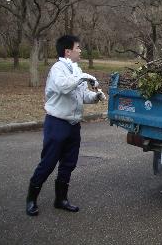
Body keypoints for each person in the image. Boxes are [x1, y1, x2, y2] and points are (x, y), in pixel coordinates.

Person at [26, 35, 106, 216]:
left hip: (73, 125)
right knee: (48, 163)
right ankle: (31, 199)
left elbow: (82, 95)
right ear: (67, 51)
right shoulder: (58, 69)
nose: (80, 50)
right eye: (78, 47)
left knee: (68, 164)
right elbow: (63, 87)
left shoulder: (76, 69)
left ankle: (60, 199)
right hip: (57, 123)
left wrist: (95, 97)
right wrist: (84, 77)